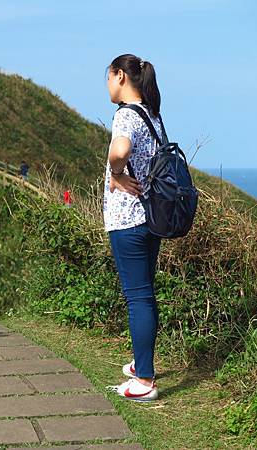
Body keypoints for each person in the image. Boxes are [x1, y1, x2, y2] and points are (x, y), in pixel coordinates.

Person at [104, 54, 164, 401]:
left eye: (109, 77)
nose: (108, 85)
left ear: (121, 76)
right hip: (151, 218)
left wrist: (116, 173)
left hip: (129, 221)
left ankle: (144, 381)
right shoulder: (152, 114)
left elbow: (120, 150)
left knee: (138, 298)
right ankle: (140, 363)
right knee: (144, 294)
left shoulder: (127, 114)